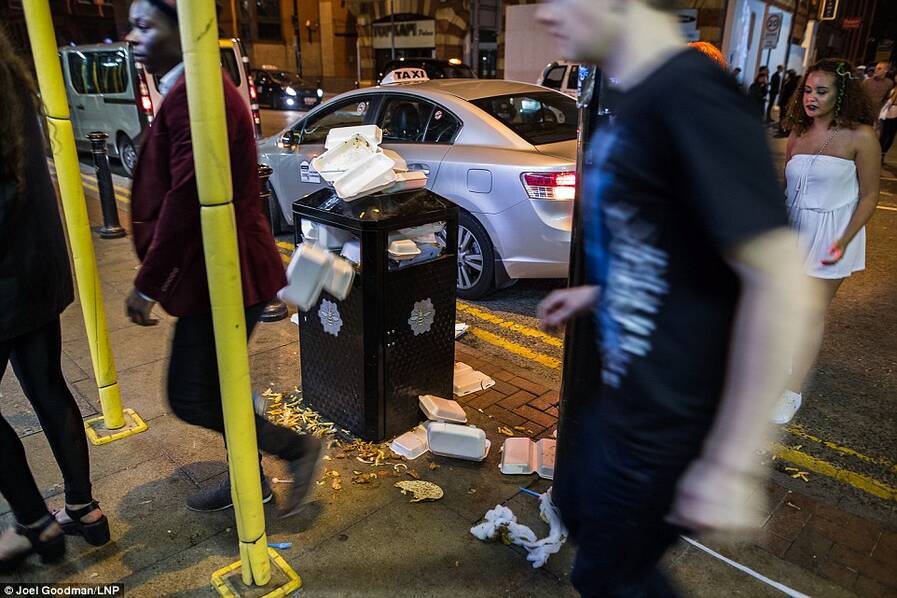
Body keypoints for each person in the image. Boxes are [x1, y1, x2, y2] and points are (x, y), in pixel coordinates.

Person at [534, 0, 818, 595]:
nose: (544, 13)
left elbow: (781, 283)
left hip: (670, 418)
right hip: (627, 396)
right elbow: (665, 246)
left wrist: (733, 461)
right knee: (583, 515)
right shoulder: (635, 98)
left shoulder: (693, 94)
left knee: (607, 576)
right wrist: (596, 293)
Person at [124, 0, 320, 517]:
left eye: (145, 25)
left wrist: (147, 284)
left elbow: (188, 197)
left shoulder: (198, 93)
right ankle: (248, 483)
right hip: (216, 270)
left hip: (226, 273)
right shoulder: (192, 87)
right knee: (217, 387)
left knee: (190, 395)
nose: (132, 36)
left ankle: (293, 449)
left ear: (182, 25)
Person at [0, 26, 110, 571]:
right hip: (35, 269)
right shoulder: (13, 83)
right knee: (47, 385)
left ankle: (35, 524)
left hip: (4, 277)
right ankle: (83, 509)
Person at [774, 59, 879, 424]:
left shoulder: (862, 137)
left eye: (822, 91)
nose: (811, 98)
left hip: (833, 234)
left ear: (842, 94)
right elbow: (786, 187)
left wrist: (844, 240)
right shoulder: (797, 133)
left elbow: (869, 196)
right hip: (793, 230)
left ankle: (792, 390)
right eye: (807, 90)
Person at [776, 69, 800, 137]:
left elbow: (786, 94)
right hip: (786, 102)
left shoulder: (790, 82)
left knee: (784, 116)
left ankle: (783, 129)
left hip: (786, 102)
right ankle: (783, 129)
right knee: (785, 116)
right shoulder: (792, 83)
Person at [878, 86, 897, 162]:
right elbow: (885, 98)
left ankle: (883, 154)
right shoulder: (892, 87)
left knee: (891, 136)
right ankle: (879, 154)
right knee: (884, 135)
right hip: (887, 113)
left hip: (895, 114)